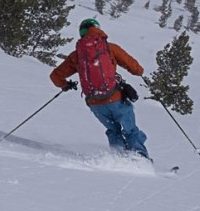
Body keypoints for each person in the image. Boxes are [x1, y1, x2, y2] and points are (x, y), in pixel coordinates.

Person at [50, 18, 150, 160]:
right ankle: (140, 159)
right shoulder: (110, 48)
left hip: (95, 103)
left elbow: (55, 76)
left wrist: (65, 85)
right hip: (115, 98)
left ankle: (119, 158)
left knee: (113, 130)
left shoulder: (77, 55)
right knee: (130, 129)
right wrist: (139, 72)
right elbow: (135, 67)